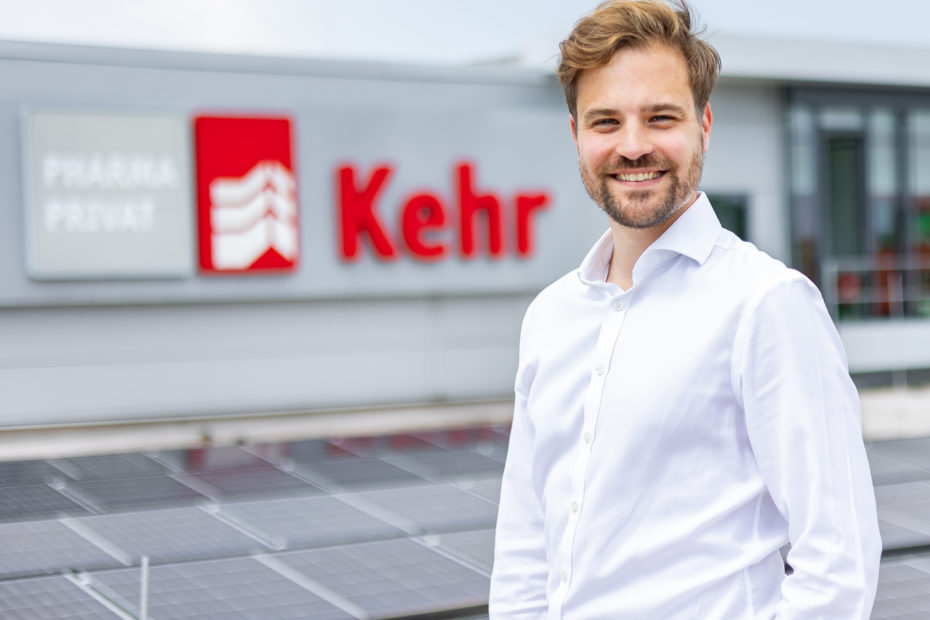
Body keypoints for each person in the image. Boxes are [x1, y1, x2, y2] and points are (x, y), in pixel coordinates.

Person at [488, 1, 882, 618]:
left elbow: (839, 563)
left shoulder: (767, 305)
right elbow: (524, 548)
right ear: (576, 135)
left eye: (660, 117)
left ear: (703, 124)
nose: (633, 146)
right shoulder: (550, 316)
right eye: (606, 121)